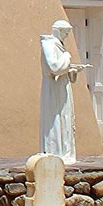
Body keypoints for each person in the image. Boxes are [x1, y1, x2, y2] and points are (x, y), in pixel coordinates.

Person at [39, 20, 88, 161]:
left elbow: (61, 70)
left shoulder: (58, 45)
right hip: (53, 87)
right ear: (58, 30)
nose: (66, 36)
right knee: (55, 118)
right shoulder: (48, 44)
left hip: (61, 86)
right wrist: (67, 57)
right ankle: (55, 151)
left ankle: (65, 152)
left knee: (64, 118)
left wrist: (72, 69)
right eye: (65, 32)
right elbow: (54, 67)